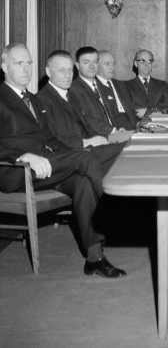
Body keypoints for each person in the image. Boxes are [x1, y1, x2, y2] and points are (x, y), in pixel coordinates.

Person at [0, 43, 125, 278]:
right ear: (5, 67)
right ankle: (116, 215)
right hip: (17, 171)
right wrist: (21, 156)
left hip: (48, 165)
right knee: (86, 158)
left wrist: (67, 156)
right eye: (19, 63)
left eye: (29, 63)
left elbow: (50, 140)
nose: (26, 69)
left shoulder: (34, 100)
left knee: (83, 183)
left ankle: (95, 259)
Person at [38, 50, 125, 176]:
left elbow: (86, 126)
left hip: (89, 150)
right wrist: (86, 143)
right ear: (48, 72)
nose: (67, 75)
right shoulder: (41, 100)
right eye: (61, 71)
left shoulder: (71, 95)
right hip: (71, 155)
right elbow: (51, 139)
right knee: (126, 151)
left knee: (129, 150)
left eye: (70, 70)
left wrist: (102, 139)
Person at [70, 46, 120, 137]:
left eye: (95, 62)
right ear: (77, 65)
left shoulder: (104, 86)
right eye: (86, 62)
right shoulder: (74, 89)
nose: (92, 66)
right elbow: (87, 119)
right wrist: (113, 131)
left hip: (114, 134)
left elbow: (114, 114)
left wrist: (119, 129)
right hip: (96, 138)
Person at [96, 50, 139, 131]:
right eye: (107, 64)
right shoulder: (94, 87)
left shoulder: (119, 84)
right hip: (114, 129)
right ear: (97, 66)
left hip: (131, 125)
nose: (112, 67)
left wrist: (138, 123)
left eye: (113, 63)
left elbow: (131, 110)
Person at [125, 49, 168, 118]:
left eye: (149, 61)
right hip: (136, 123)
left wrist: (149, 111)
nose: (146, 64)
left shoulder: (162, 85)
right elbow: (127, 108)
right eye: (142, 61)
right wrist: (157, 109)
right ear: (136, 64)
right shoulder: (126, 86)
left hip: (158, 122)